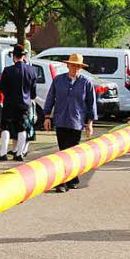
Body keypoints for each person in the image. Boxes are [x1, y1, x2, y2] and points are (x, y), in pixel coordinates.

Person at [43, 53, 97, 192]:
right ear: (67, 65)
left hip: (76, 122)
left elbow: (91, 104)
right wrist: (47, 117)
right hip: (61, 120)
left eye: (78, 66)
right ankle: (65, 181)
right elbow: (50, 98)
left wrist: (89, 123)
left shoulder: (86, 83)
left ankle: (69, 180)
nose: (75, 68)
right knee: (63, 152)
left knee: (72, 152)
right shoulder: (58, 80)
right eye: (73, 65)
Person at [0, 44, 37, 162]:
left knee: (5, 127)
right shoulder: (31, 71)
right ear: (24, 56)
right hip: (24, 104)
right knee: (22, 128)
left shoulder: (8, 70)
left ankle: (3, 153)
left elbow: (1, 88)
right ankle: (19, 153)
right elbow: (33, 91)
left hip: (9, 103)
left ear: (14, 56)